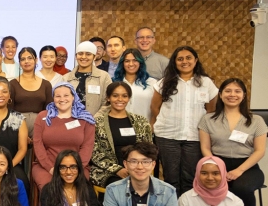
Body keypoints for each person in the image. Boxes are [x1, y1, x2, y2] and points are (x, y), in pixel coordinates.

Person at [199, 78, 267, 206]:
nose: (232, 95)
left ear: (244, 96)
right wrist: (217, 168)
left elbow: (259, 151)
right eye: (228, 91)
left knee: (241, 188)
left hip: (248, 167)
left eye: (237, 91)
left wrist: (239, 170)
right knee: (206, 186)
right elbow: (205, 148)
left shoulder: (256, 120)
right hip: (216, 165)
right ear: (221, 95)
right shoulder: (208, 119)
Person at [151, 46, 218, 196]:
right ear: (174, 62)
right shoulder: (164, 82)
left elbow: (211, 110)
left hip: (195, 137)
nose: (184, 62)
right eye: (180, 59)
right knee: (171, 178)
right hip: (167, 136)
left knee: (190, 178)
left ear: (196, 60)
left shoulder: (206, 83)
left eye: (188, 58)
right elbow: (155, 107)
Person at [32, 83, 95, 192]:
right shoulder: (43, 116)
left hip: (77, 167)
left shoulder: (86, 119)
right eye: (58, 96)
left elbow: (87, 148)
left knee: (77, 190)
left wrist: (74, 169)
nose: (62, 99)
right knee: (50, 190)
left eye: (66, 95)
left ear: (73, 97)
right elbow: (38, 144)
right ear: (53, 98)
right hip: (47, 167)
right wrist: (51, 168)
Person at [90, 82, 153, 188]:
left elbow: (149, 149)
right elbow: (94, 152)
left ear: (129, 98)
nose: (120, 99)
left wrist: (136, 167)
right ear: (108, 98)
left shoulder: (141, 121)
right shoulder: (97, 122)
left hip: (137, 167)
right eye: (115, 95)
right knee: (123, 186)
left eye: (124, 96)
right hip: (106, 170)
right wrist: (118, 169)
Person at [9, 47, 53, 138]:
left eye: (30, 58)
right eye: (23, 59)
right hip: (17, 126)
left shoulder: (46, 84)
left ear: (36, 60)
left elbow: (49, 110)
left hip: (40, 126)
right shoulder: (12, 84)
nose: (26, 61)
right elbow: (9, 111)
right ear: (20, 63)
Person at [63, 41, 111, 115]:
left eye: (88, 54)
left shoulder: (104, 77)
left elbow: (107, 102)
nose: (84, 57)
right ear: (76, 56)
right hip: (71, 122)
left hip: (96, 122)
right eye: (80, 54)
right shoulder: (66, 78)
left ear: (94, 57)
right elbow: (62, 101)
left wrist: (94, 119)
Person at [113, 48, 157, 122]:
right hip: (118, 126)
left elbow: (156, 107)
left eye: (135, 60)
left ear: (140, 62)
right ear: (122, 63)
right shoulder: (114, 82)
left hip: (144, 127)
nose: (131, 64)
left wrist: (152, 125)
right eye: (127, 61)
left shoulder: (152, 83)